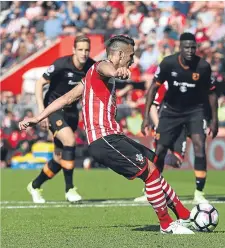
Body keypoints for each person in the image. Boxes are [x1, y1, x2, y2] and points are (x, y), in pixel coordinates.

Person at [19, 35, 194, 235]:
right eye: (130, 55)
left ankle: (185, 215)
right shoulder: (103, 66)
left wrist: (39, 116)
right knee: (150, 172)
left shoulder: (89, 77)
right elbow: (107, 68)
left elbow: (67, 98)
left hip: (113, 136)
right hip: (104, 140)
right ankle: (167, 225)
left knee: (153, 161)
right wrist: (117, 71)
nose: (133, 59)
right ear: (119, 54)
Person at [141, 32, 219, 204]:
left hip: (195, 111)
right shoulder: (168, 63)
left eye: (193, 47)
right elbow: (153, 88)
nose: (190, 50)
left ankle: (199, 192)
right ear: (180, 48)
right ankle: (153, 188)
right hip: (171, 111)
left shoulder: (203, 67)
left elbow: (212, 94)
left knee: (199, 146)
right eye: (187, 47)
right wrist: (146, 117)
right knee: (160, 150)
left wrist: (214, 120)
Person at [28, 35, 96, 203]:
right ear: (73, 50)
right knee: (70, 141)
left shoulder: (91, 66)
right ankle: (69, 189)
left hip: (72, 113)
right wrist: (41, 112)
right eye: (80, 49)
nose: (84, 53)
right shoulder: (61, 65)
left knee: (60, 158)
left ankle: (35, 185)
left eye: (86, 50)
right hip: (53, 110)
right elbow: (39, 84)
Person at [134, 82, 188, 202]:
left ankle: (157, 162)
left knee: (177, 162)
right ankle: (149, 191)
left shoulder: (187, 83)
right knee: (158, 156)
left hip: (180, 128)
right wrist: (159, 125)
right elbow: (154, 105)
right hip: (165, 126)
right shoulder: (166, 85)